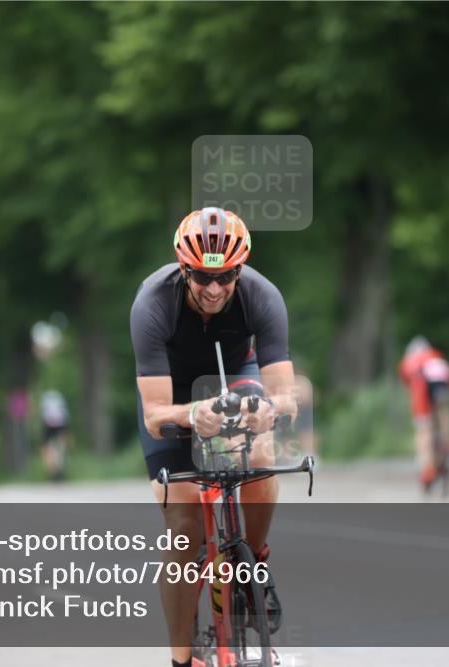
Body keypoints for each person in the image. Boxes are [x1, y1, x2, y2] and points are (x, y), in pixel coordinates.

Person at [130, 208, 295, 667]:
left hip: (235, 376)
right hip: (175, 394)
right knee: (184, 532)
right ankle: (182, 660)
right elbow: (154, 414)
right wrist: (191, 414)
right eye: (202, 276)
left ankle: (252, 566)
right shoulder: (152, 303)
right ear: (184, 270)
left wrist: (269, 409)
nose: (215, 288)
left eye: (226, 276)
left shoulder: (262, 296)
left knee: (261, 454)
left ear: (239, 270)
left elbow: (287, 396)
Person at [399, 336, 449, 491]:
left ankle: (427, 469)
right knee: (443, 408)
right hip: (441, 379)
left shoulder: (409, 361)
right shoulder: (436, 356)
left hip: (422, 385)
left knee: (423, 429)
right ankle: (447, 440)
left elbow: (410, 389)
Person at [39, 389, 71, 480]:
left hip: (49, 425)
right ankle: (61, 463)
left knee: (48, 449)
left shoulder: (46, 406)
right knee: (61, 447)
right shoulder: (61, 407)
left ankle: (53, 467)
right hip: (61, 425)